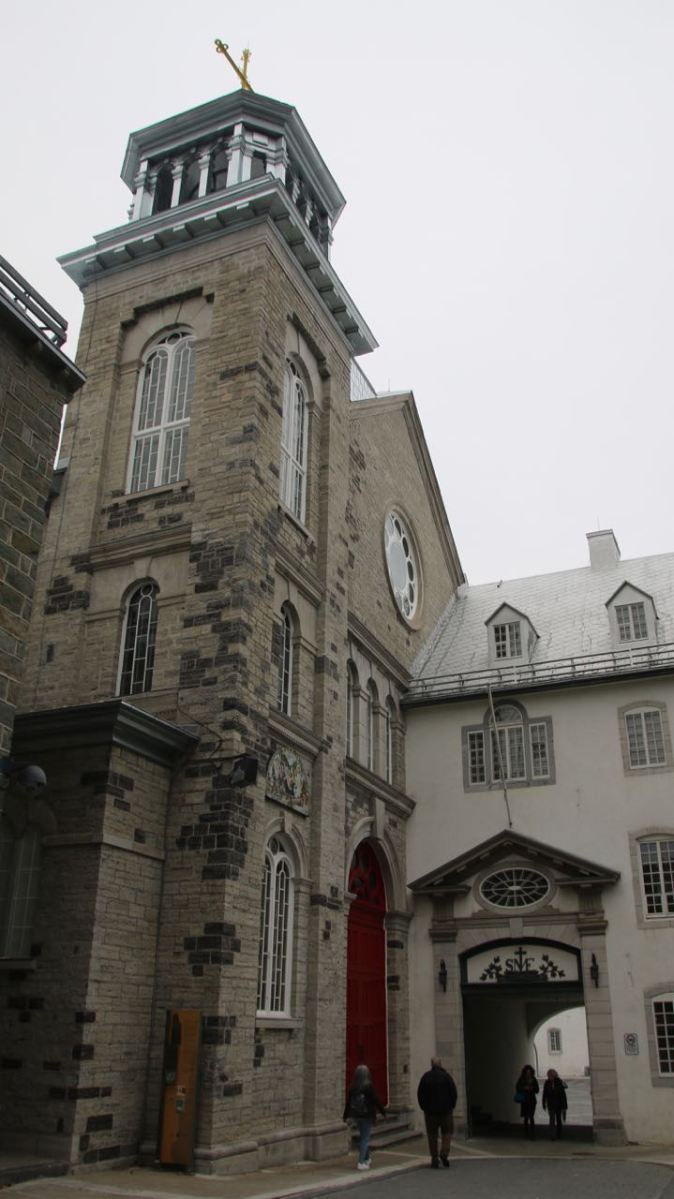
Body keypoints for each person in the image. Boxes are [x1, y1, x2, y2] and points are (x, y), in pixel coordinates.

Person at [417, 1056, 458, 1168]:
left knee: (432, 1136)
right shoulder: (447, 1077)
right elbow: (453, 1093)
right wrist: (451, 1106)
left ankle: (434, 1158)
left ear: (431, 1065)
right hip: (446, 1111)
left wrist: (424, 1107)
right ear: (440, 1064)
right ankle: (444, 1153)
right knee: (447, 1133)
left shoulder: (426, 1077)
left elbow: (420, 1094)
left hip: (430, 1113)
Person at [343, 1063, 386, 1170]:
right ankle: (361, 1162)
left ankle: (366, 1158)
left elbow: (348, 1103)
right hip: (367, 1115)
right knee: (365, 1138)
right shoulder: (368, 1087)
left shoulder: (352, 1087)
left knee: (363, 1136)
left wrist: (345, 1115)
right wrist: (383, 1112)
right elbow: (376, 1100)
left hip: (357, 1115)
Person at [542, 1068, 568, 1139]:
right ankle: (552, 1135)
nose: (550, 1077)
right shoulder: (547, 1083)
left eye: (551, 1075)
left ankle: (559, 1134)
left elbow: (563, 1093)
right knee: (552, 1119)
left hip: (558, 1104)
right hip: (551, 1104)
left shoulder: (559, 1081)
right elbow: (544, 1094)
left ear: (555, 1075)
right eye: (549, 1075)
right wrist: (544, 1103)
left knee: (559, 1119)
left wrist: (564, 1106)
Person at [515, 1064, 539, 1137]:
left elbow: (537, 1090)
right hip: (524, 1100)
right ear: (524, 1072)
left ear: (531, 1072)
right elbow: (517, 1088)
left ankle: (532, 1133)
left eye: (529, 1072)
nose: (528, 1073)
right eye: (527, 1072)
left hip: (532, 1100)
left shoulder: (533, 1079)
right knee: (525, 1117)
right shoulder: (522, 1079)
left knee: (531, 1117)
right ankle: (526, 1132)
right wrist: (524, 1088)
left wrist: (531, 1089)